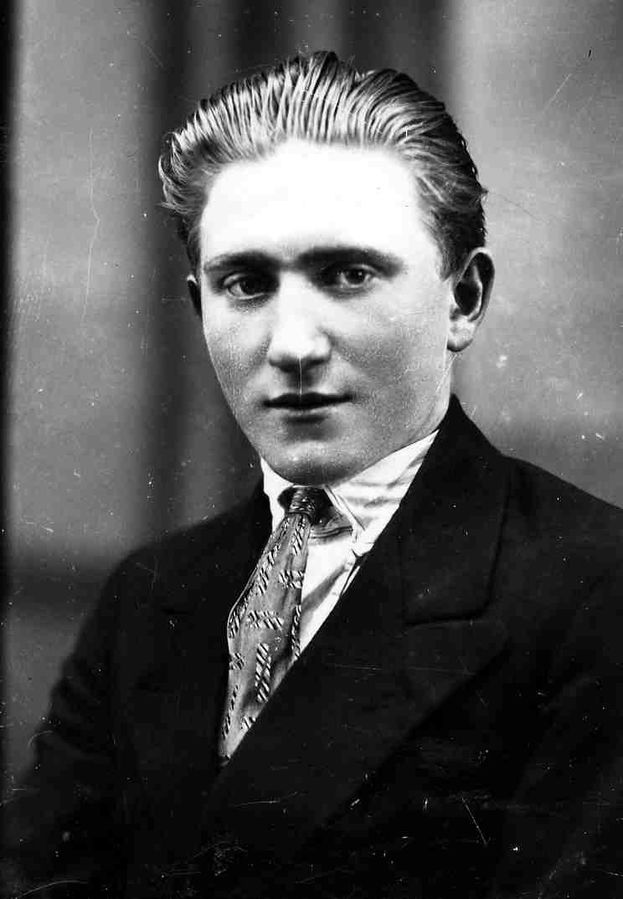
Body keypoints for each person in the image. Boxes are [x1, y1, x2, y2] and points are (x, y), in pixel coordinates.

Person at [4, 51, 622, 899]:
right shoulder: (151, 596)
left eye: (347, 274)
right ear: (198, 306)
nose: (292, 344)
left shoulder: (592, 587)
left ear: (463, 298)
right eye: (245, 283)